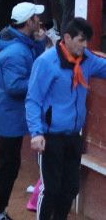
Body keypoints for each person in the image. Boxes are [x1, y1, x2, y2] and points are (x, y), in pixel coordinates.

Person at [27, 18, 106, 220]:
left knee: (70, 188)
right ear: (67, 38)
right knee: (51, 189)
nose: (85, 45)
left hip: (73, 136)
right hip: (51, 136)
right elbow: (33, 100)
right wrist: (36, 132)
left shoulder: (87, 59)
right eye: (81, 40)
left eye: (87, 41)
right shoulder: (46, 62)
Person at [0, 2, 49, 220]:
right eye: (36, 17)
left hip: (9, 114)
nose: (39, 20)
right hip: (9, 117)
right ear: (28, 22)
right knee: (8, 166)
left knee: (9, 164)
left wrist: (40, 43)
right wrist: (40, 81)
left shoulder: (18, 42)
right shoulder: (15, 52)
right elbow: (15, 86)